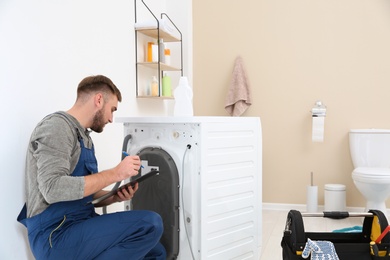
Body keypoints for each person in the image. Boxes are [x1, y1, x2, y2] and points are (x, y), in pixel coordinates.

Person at [17, 75, 166, 260]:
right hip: (54, 234)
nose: (111, 119)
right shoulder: (57, 127)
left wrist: (112, 197)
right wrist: (115, 173)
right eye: (112, 109)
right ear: (98, 100)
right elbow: (53, 189)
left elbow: (82, 193)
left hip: (80, 224)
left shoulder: (84, 138)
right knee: (149, 224)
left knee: (156, 252)